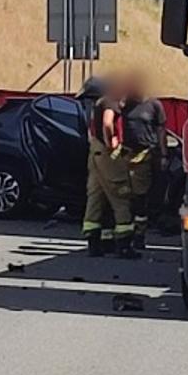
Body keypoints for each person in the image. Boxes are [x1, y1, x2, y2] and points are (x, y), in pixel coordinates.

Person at [82, 76, 135, 257]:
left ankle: (94, 244)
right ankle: (124, 245)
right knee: (121, 195)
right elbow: (107, 122)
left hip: (95, 153)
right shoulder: (110, 103)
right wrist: (111, 141)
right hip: (107, 154)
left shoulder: (97, 104)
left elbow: (91, 131)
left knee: (96, 197)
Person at [120, 72, 166, 252]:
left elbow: (161, 131)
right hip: (124, 155)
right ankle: (125, 234)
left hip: (145, 155)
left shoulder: (154, 105)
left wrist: (163, 155)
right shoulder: (125, 105)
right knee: (124, 196)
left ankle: (139, 235)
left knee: (140, 197)